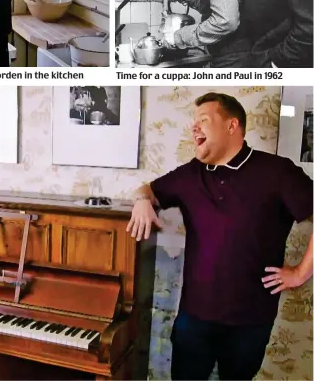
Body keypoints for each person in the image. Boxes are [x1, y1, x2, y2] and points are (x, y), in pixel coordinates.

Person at [126, 92, 313, 380]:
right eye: (193, 122)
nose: (194, 127)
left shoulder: (277, 172)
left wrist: (301, 273)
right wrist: (141, 200)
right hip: (194, 318)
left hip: (251, 322)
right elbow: (148, 189)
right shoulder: (190, 175)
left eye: (203, 120)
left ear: (231, 125)